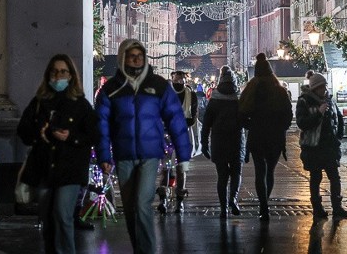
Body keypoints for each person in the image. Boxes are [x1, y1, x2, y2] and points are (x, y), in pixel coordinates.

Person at [95, 39, 191, 254]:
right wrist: (103, 155)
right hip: (123, 154)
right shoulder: (111, 89)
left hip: (150, 154)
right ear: (123, 58)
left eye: (140, 55)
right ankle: (139, 248)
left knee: (141, 204)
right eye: (131, 56)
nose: (136, 60)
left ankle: (147, 251)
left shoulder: (158, 85)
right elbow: (101, 124)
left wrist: (183, 155)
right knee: (129, 208)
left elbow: (175, 118)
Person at [17, 54, 99, 254]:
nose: (58, 76)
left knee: (63, 214)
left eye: (63, 71)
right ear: (48, 75)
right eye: (55, 71)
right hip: (44, 168)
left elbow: (93, 134)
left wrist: (71, 137)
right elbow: (24, 131)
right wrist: (41, 131)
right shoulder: (39, 102)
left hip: (70, 168)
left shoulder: (81, 105)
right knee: (47, 218)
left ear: (71, 75)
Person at [239, 53, 293, 222]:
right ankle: (265, 202)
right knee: (270, 172)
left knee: (259, 171)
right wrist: (280, 128)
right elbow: (288, 115)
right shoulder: (280, 91)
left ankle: (263, 205)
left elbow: (241, 114)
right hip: (275, 137)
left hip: (257, 136)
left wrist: (250, 125)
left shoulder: (250, 90)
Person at [296, 72, 347, 219]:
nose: (324, 90)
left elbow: (338, 117)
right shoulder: (305, 101)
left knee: (335, 177)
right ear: (314, 88)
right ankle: (317, 208)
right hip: (313, 147)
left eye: (325, 87)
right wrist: (318, 114)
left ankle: (337, 207)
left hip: (330, 146)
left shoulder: (329, 100)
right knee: (316, 177)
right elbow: (302, 123)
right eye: (321, 87)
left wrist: (338, 135)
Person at [200, 66, 246, 219]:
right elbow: (245, 121)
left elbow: (206, 123)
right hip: (236, 139)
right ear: (233, 80)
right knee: (236, 173)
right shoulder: (239, 97)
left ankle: (223, 208)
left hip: (219, 141)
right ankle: (233, 199)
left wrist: (204, 142)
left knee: (222, 176)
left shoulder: (215, 98)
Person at [165, 70, 198, 211]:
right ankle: (163, 199)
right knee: (166, 166)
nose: (179, 82)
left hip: (183, 133)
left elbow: (193, 116)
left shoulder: (191, 95)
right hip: (167, 134)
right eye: (176, 79)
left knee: (181, 166)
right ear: (172, 78)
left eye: (181, 79)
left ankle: (179, 199)